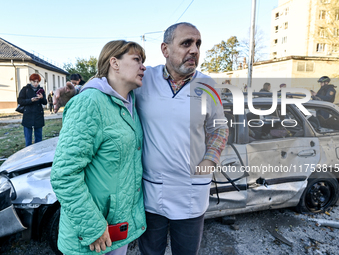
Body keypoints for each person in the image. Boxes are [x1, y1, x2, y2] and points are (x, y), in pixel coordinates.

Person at [53, 22, 228, 255]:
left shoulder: (207, 85)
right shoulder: (145, 79)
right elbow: (109, 88)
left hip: (191, 193)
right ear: (165, 49)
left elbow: (220, 127)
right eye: (186, 43)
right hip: (151, 194)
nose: (194, 50)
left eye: (198, 44)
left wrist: (210, 161)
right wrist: (75, 92)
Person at [50, 40, 147, 255]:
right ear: (115, 62)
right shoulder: (90, 102)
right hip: (92, 234)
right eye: (137, 60)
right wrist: (93, 227)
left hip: (117, 228)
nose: (144, 66)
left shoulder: (130, 102)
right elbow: (64, 174)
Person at [17, 73, 47, 147]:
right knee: (28, 139)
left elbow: (45, 102)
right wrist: (31, 100)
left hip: (38, 115)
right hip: (28, 115)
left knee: (39, 138)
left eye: (37, 81)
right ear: (30, 81)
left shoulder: (41, 90)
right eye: (34, 81)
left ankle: (39, 153)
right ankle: (29, 154)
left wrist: (42, 98)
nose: (36, 83)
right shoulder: (25, 89)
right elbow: (20, 101)